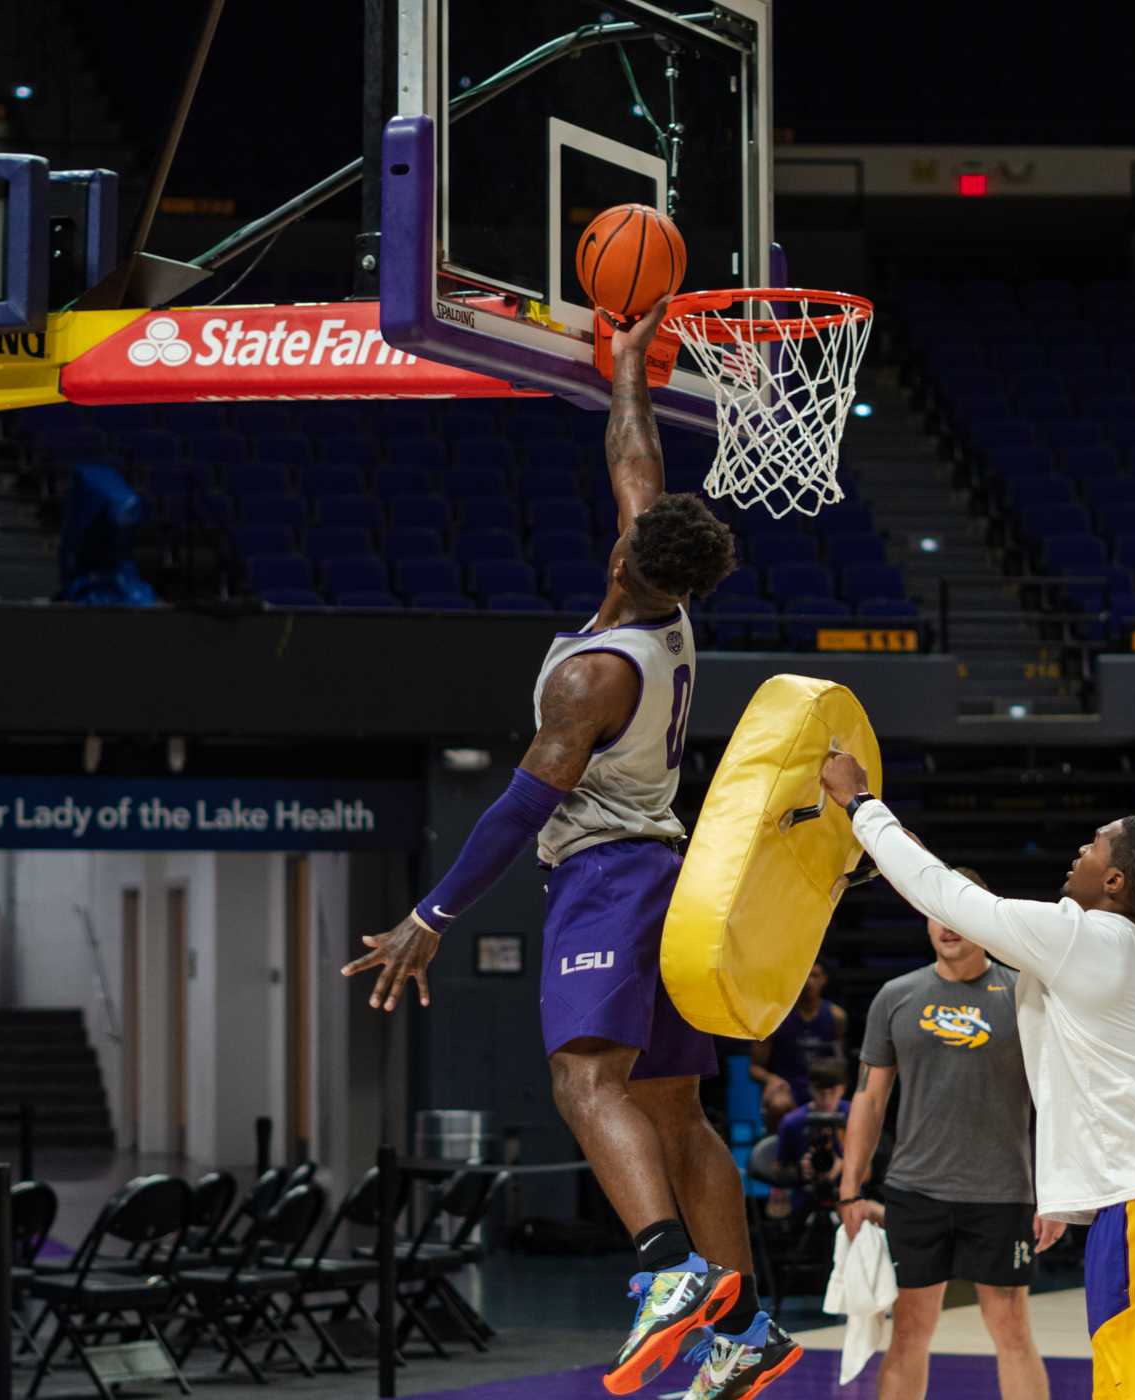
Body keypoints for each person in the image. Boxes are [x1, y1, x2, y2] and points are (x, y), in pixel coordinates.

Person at [344, 301, 802, 1400]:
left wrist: (431, 914)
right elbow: (634, 453)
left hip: (614, 875)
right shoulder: (669, 606)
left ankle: (663, 1271)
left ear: (624, 556)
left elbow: (511, 809)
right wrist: (629, 369)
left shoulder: (591, 675)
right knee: (677, 1109)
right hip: (679, 881)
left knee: (579, 1078)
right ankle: (748, 1321)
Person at [819, 752, 1135, 1400]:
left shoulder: (1083, 941)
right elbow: (955, 897)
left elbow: (947, 897)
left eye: (1096, 844)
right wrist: (903, 843)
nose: (1081, 848)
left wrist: (859, 805)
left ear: (1117, 881)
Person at [838, 866, 1060, 1400]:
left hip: (1002, 1192)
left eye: (957, 910)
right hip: (916, 1191)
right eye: (934, 911)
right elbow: (870, 1098)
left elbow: (1057, 1100)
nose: (945, 923)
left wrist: (1057, 1192)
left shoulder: (1024, 995)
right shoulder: (896, 996)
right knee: (911, 1329)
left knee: (1011, 1327)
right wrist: (850, 1189)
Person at [750, 960, 847, 1128]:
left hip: (823, 1085)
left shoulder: (836, 1016)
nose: (808, 981)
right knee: (778, 1104)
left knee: (850, 1112)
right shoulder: (774, 1017)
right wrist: (772, 1080)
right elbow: (754, 1068)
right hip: (789, 1086)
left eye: (814, 975)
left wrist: (836, 1089)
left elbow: (840, 1063)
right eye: (803, 975)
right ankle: (780, 1151)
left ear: (823, 979)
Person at [772, 1056, 849, 1214]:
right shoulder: (792, 1122)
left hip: (847, 1199)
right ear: (810, 1089)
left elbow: (869, 1172)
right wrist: (801, 1170)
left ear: (842, 1089)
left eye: (832, 1092)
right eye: (821, 1092)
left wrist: (843, 1166)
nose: (827, 1100)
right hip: (805, 1201)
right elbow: (778, 1172)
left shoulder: (855, 1116)